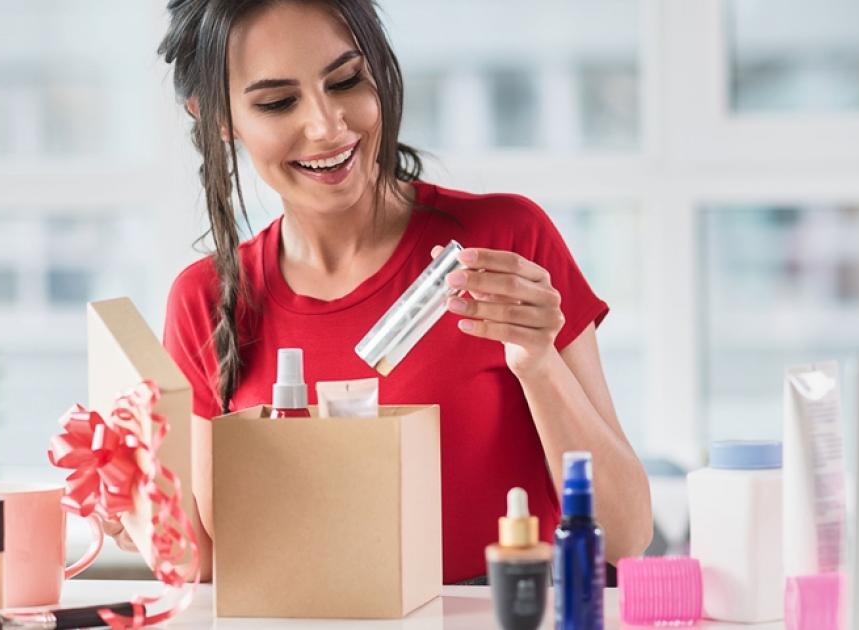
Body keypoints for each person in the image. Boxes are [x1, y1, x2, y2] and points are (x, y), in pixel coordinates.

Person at [111, 0, 652, 584]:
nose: (327, 125)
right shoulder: (205, 299)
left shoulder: (504, 241)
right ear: (216, 116)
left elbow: (624, 534)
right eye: (277, 102)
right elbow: (208, 563)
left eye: (346, 81)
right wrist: (127, 501)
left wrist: (538, 363)